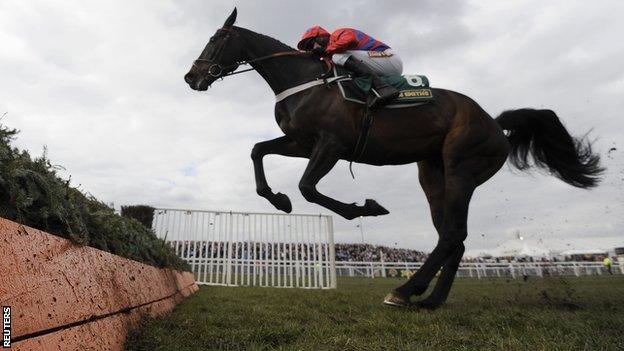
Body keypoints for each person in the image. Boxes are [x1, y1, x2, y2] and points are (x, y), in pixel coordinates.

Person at [297, 26, 403, 108]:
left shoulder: (338, 34)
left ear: (320, 37)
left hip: (389, 58)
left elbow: (350, 39)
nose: (312, 49)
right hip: (377, 64)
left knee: (337, 56)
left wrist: (326, 51)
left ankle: (382, 87)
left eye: (310, 45)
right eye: (308, 49)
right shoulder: (330, 53)